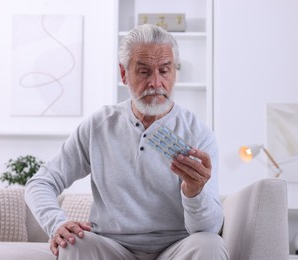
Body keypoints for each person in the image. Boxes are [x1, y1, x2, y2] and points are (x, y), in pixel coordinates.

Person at [25, 24, 229, 260]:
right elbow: (41, 182)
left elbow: (208, 229)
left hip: (176, 248)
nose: (155, 82)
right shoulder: (99, 126)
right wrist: (56, 224)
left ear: (175, 72)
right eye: (144, 72)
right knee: (73, 244)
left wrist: (195, 193)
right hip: (111, 247)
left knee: (210, 244)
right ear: (123, 74)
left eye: (164, 71)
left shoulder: (199, 133)